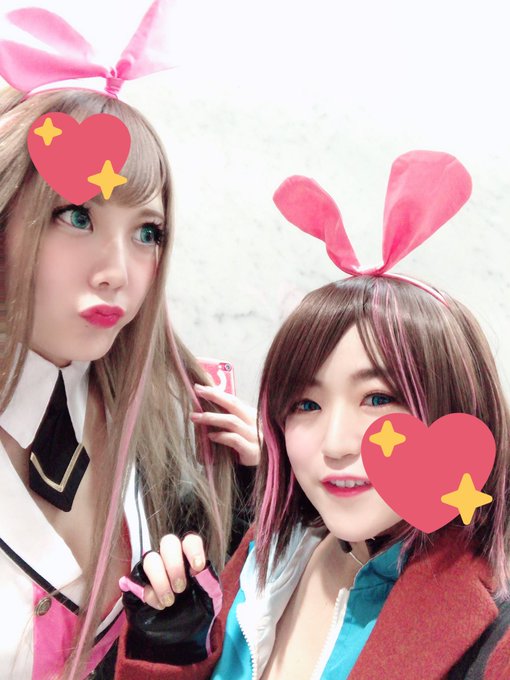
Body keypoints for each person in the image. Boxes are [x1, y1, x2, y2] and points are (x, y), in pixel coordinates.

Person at [115, 151, 510, 679]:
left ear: (456, 410)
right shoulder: (271, 554)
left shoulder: (492, 641)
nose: (337, 443)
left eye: (378, 399)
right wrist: (167, 652)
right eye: (306, 404)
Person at [0, 3, 257, 678]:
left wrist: (262, 496)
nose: (118, 272)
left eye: (147, 232)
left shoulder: (172, 433)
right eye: (76, 216)